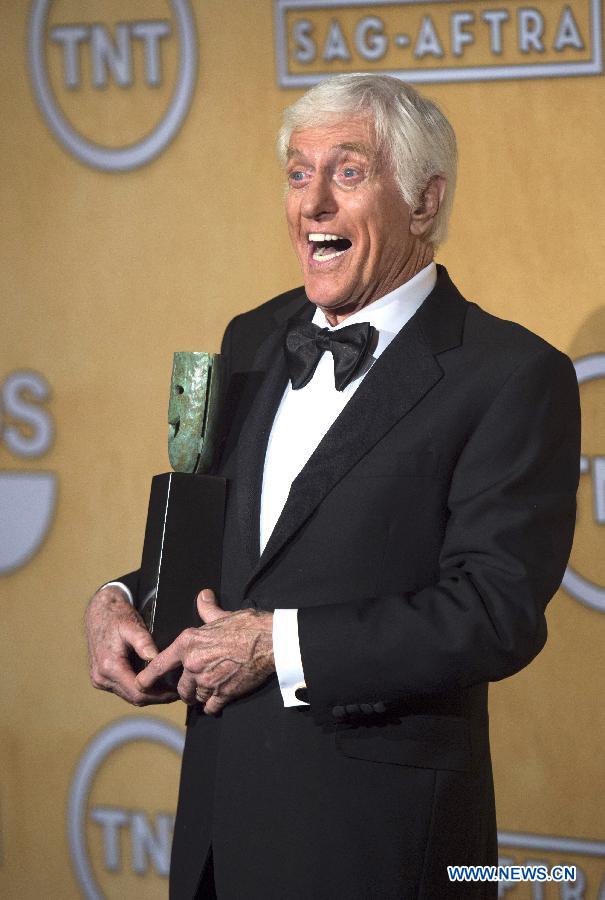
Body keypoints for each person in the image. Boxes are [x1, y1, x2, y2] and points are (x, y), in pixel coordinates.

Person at [85, 74, 580, 899]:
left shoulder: (509, 375)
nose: (311, 203)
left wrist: (280, 645)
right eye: (296, 172)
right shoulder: (250, 338)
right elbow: (226, 547)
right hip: (217, 833)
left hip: (375, 844)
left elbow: (494, 613)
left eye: (346, 173)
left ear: (424, 201)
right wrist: (121, 599)